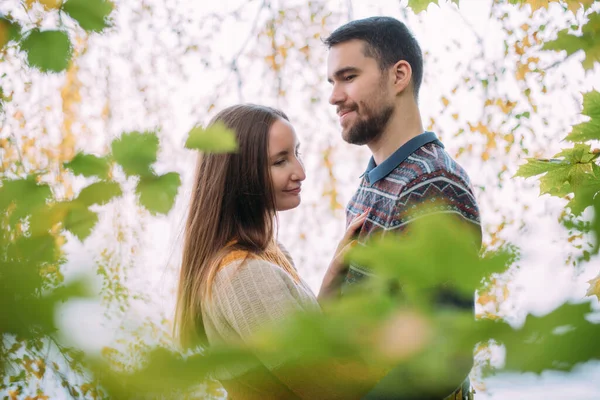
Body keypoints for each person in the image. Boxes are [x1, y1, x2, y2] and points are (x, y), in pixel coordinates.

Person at [324, 16, 482, 400]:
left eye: (348, 77)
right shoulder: (372, 182)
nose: (333, 96)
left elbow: (445, 357)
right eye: (332, 82)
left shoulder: (433, 185)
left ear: (398, 76)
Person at [173, 104, 375, 400]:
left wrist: (333, 274)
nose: (301, 172)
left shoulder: (267, 252)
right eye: (280, 161)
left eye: (297, 153)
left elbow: (303, 342)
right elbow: (329, 386)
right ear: (241, 176)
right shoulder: (244, 275)